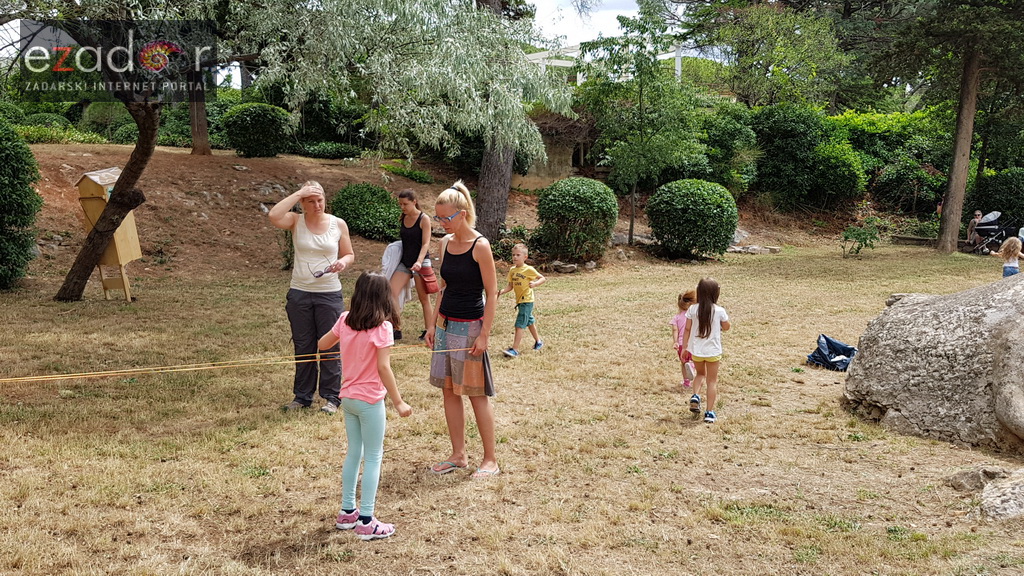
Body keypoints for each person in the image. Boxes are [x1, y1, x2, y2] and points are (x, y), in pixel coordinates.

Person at [318, 272, 412, 540]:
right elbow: (384, 367)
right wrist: (398, 401)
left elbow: (322, 344)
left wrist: (344, 339)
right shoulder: (383, 328)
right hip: (370, 402)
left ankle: (347, 511)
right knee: (373, 456)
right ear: (384, 298)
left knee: (354, 453)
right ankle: (367, 521)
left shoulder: (344, 320)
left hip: (348, 399)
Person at [424, 180, 500, 479]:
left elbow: (492, 292)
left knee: (475, 394)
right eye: (438, 217)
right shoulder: (445, 243)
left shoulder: (480, 246)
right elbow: (443, 286)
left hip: (470, 328)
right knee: (449, 391)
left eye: (447, 217)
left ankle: (490, 459)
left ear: (463, 213)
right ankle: (458, 455)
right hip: (445, 325)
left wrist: (484, 334)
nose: (442, 223)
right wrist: (432, 324)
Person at [268, 181, 355, 414]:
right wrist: (299, 193)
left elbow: (349, 254)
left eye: (320, 200)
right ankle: (302, 396)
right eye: (311, 201)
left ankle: (332, 397)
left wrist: (342, 262)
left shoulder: (338, 224)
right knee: (304, 345)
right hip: (300, 293)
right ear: (302, 203)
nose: (317, 205)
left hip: (329, 294)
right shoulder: (295, 221)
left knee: (330, 346)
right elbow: (274, 215)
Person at [681, 278, 731, 424]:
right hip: (713, 352)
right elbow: (727, 327)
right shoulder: (719, 310)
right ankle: (709, 412)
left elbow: (687, 329)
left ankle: (696, 395)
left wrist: (685, 347)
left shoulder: (692, 309)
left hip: (696, 351)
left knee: (700, 374)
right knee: (712, 381)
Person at [390, 190, 435, 341]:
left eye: (405, 204)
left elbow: (426, 243)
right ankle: (396, 328)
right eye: (400, 204)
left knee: (424, 298)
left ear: (414, 202)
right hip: (406, 262)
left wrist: (419, 262)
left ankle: (429, 330)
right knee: (391, 292)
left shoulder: (424, 219)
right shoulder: (403, 217)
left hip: (421, 262)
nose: (402, 207)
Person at [497, 243, 546, 358]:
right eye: (513, 255)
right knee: (529, 321)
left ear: (525, 257)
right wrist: (500, 292)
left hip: (527, 301)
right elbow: (510, 286)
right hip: (519, 301)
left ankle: (515, 349)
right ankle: (538, 342)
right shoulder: (512, 270)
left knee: (519, 324)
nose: (515, 257)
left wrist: (535, 284)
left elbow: (542, 278)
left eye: (518, 255)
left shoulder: (528, 269)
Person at [669, 290, 698, 389]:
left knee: (683, 363)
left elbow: (675, 330)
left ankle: (686, 382)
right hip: (693, 342)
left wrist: (675, 342)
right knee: (695, 360)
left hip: (681, 344)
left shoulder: (676, 317)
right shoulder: (694, 316)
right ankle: (692, 366)